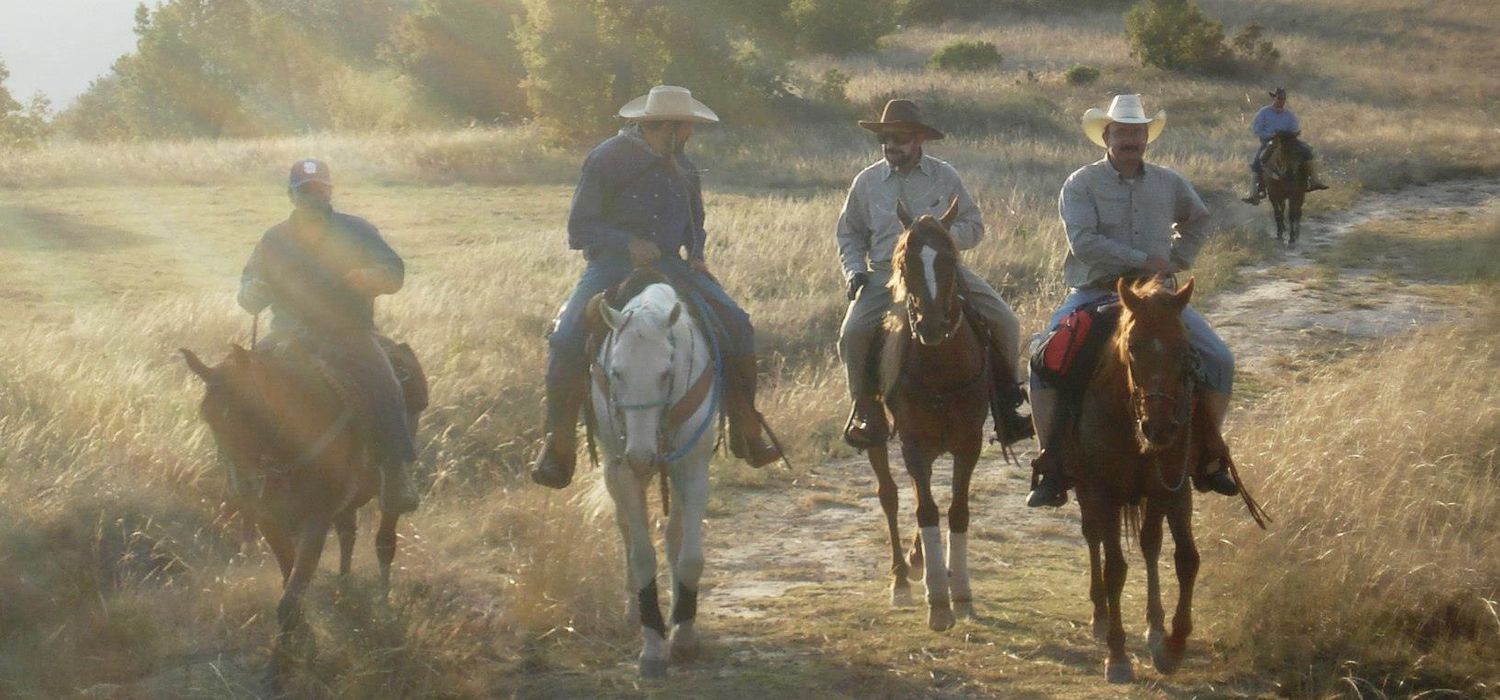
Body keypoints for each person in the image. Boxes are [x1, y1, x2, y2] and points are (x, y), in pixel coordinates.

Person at [530, 85, 782, 489]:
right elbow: (580, 228)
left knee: (737, 323)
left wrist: (697, 254)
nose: (691, 136)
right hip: (609, 267)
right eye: (687, 128)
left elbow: (695, 223)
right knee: (565, 337)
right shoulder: (606, 159)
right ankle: (557, 446)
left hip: (670, 265)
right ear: (666, 126)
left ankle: (746, 428)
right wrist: (627, 243)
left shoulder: (684, 167)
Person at [1026, 94, 1239, 508]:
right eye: (1121, 132)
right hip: (1094, 292)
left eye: (1137, 132)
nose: (1130, 139)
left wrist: (1177, 260)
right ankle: (1051, 464)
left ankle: (1210, 456)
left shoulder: (1169, 182)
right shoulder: (1081, 183)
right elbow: (1083, 242)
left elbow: (1199, 218)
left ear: (1147, 138)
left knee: (1219, 359)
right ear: (1106, 136)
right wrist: (1145, 259)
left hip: (1157, 298)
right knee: (1044, 361)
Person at [834, 99, 1032, 449]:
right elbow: (849, 233)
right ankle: (867, 409)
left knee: (1005, 321)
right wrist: (853, 270)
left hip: (943, 270)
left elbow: (974, 225)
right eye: (885, 139)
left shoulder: (945, 176)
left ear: (918, 140)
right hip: (885, 274)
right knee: (852, 332)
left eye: (899, 138)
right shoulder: (866, 182)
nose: (891, 145)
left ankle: (1007, 404)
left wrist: (939, 243)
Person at [238, 158, 421, 514]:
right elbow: (248, 284)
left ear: (330, 192)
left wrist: (371, 276)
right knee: (237, 386)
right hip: (287, 335)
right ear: (292, 196)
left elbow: (394, 271)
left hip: (347, 333)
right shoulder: (273, 239)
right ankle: (237, 473)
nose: (313, 196)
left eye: (320, 189)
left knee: (386, 386)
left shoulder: (358, 230)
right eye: (305, 190)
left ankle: (395, 475)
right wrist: (252, 292)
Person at [1242, 87, 1329, 205]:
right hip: (1270, 141)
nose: (1281, 101)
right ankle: (1254, 193)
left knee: (1308, 151)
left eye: (1283, 99)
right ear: (1274, 98)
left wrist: (1291, 134)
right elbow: (1257, 129)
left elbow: (1295, 128)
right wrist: (1270, 134)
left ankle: (1314, 180)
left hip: (1288, 140)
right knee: (1257, 162)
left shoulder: (1289, 115)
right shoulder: (1264, 112)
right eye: (1279, 98)